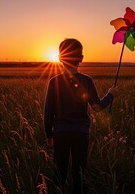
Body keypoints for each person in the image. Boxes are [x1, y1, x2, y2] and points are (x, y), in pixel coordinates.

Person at [44, 38, 118, 193]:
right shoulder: (87, 81)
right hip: (81, 133)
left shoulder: (54, 82)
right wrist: (110, 95)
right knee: (79, 173)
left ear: (59, 58)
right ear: (81, 58)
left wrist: (49, 134)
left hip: (60, 133)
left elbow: (48, 111)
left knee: (59, 172)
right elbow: (97, 107)